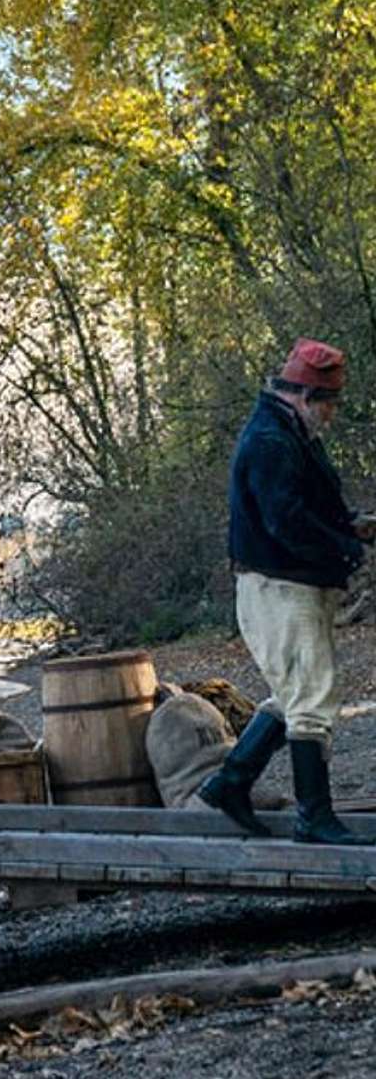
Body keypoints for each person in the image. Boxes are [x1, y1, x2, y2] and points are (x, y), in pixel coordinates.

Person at [199, 337, 376, 845]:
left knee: (297, 693)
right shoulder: (272, 441)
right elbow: (286, 521)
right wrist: (346, 545)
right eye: (329, 403)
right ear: (304, 395)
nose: (332, 414)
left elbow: (304, 507)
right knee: (312, 698)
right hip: (279, 584)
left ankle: (231, 782)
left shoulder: (287, 432)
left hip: (287, 582)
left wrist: (351, 525)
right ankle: (313, 818)